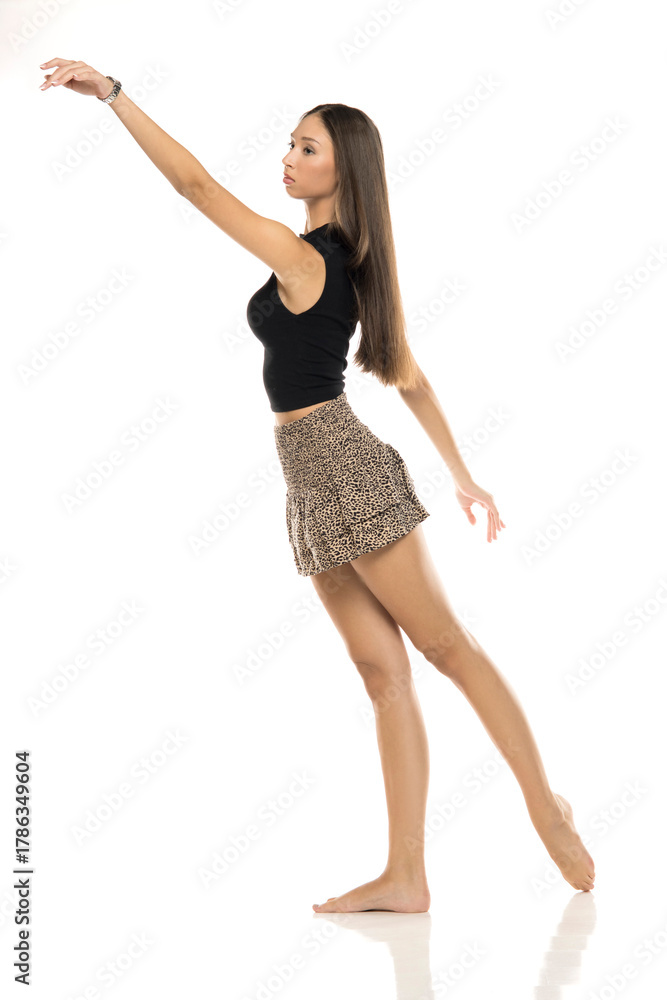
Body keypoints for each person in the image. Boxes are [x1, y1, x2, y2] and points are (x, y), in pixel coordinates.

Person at [39, 60, 596, 913]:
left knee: (445, 649)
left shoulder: (308, 258)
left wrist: (114, 96)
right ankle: (405, 876)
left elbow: (194, 186)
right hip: (308, 483)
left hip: (341, 466)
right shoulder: (341, 262)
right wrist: (462, 475)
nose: (290, 156)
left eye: (308, 148)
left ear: (345, 171)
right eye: (291, 142)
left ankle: (542, 806)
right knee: (383, 676)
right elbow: (404, 374)